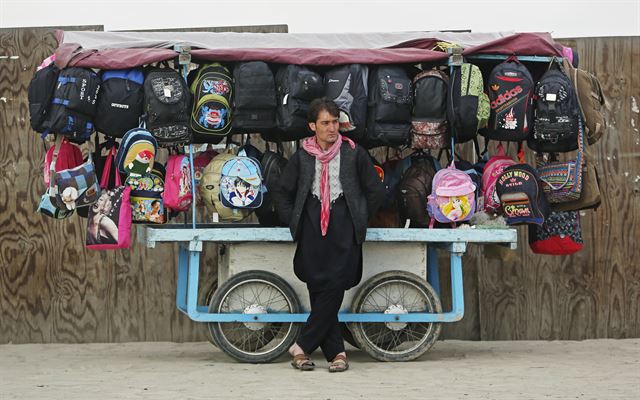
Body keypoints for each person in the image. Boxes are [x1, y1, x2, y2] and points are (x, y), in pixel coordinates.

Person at [273, 98, 385, 372]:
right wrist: (293, 220)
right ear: (313, 126)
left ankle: (302, 346)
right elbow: (282, 192)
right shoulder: (302, 156)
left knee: (335, 283)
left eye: (335, 122)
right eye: (325, 123)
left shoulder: (353, 153)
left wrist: (359, 216)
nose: (332, 128)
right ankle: (337, 354)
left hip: (343, 226)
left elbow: (375, 191)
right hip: (312, 226)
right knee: (317, 285)